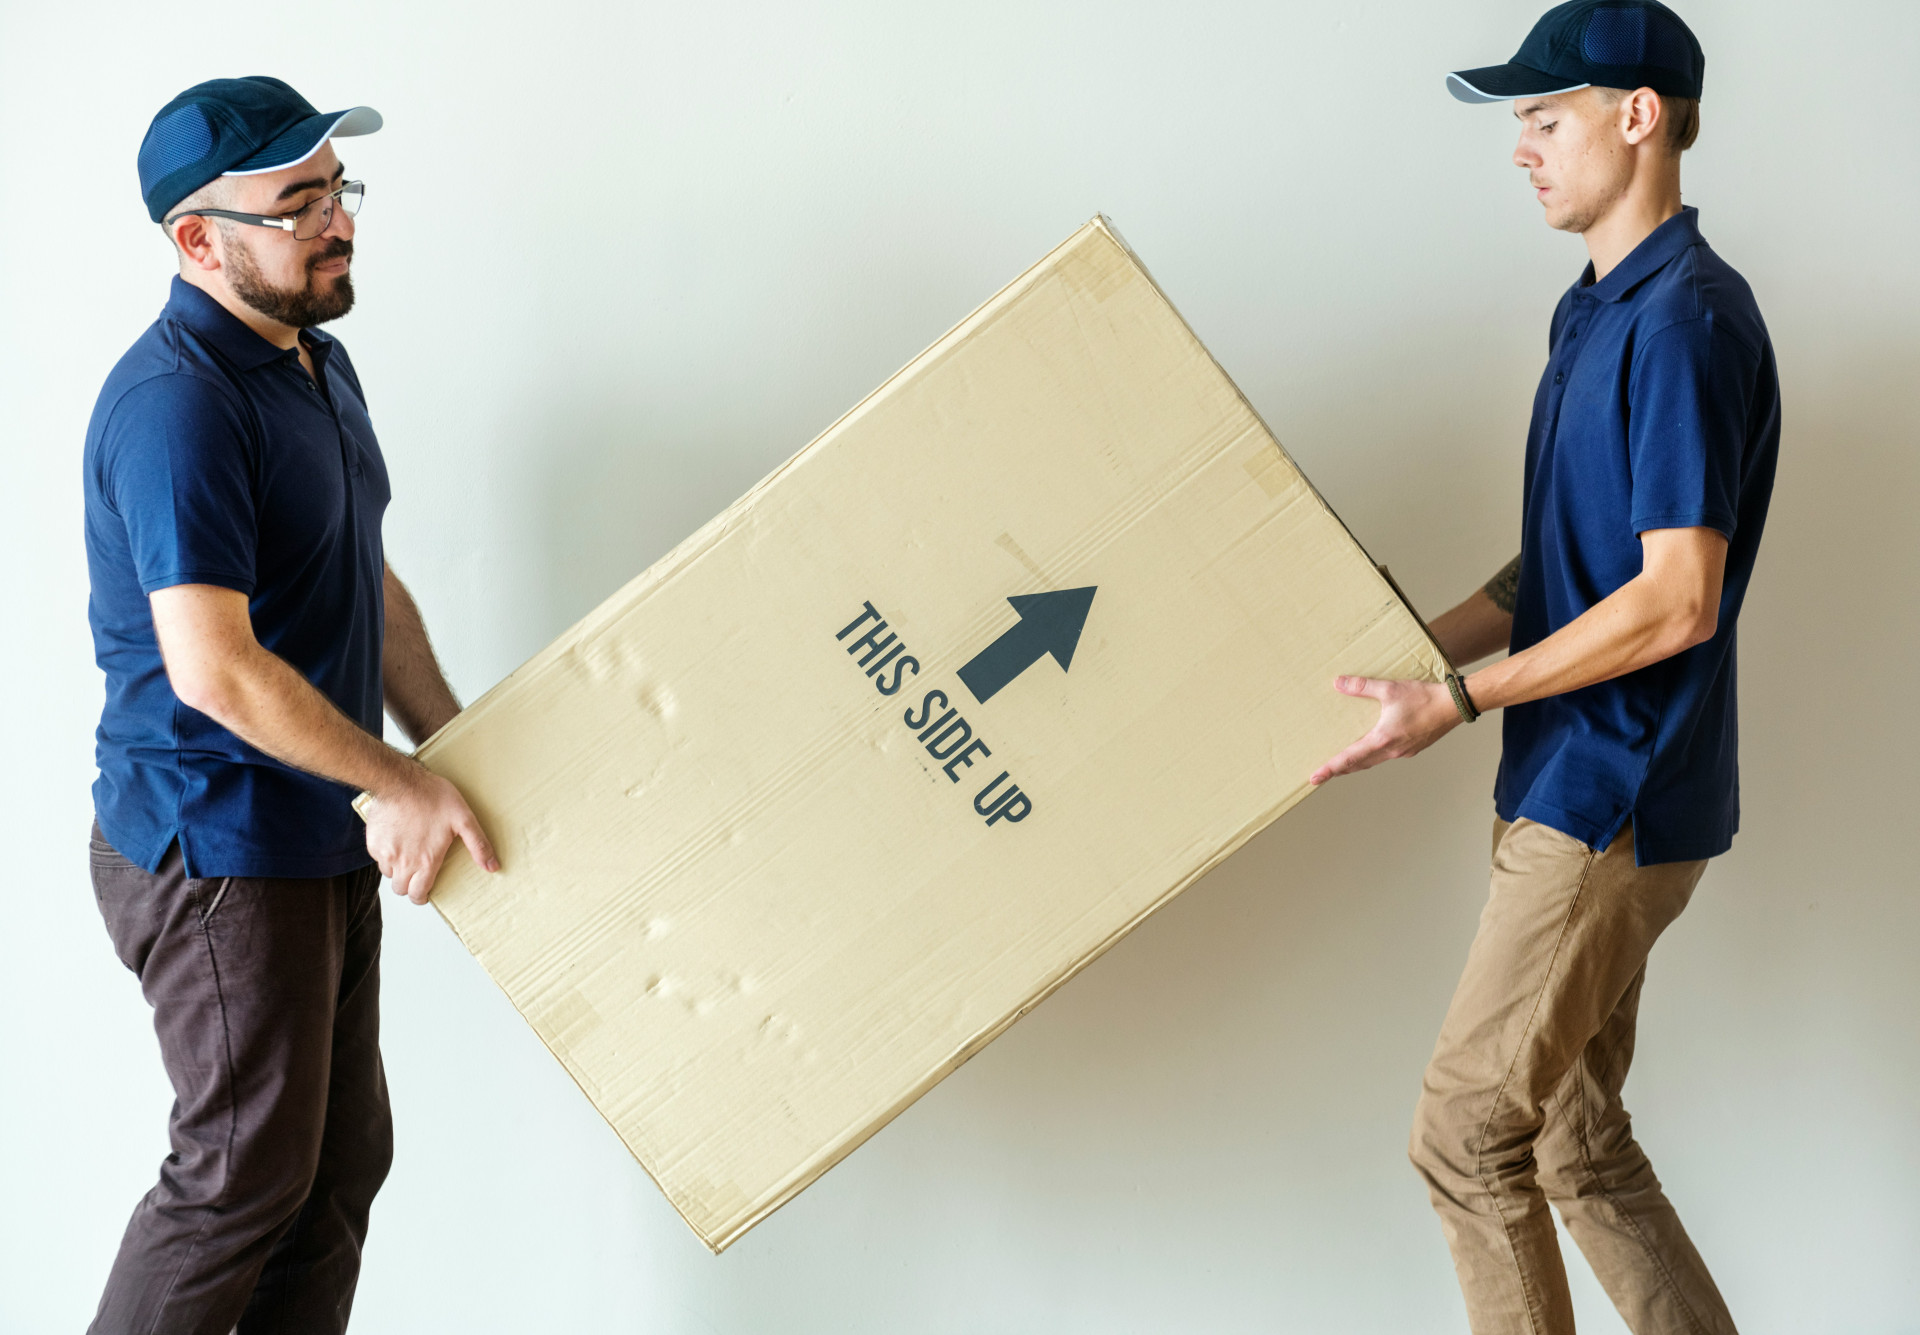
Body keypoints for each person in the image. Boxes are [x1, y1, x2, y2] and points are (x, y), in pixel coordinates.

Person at [1308, 3, 1777, 1331]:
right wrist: (1418, 654)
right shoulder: (1596, 310)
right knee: (1575, 1137)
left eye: (1547, 118)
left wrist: (1458, 702)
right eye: (1519, 121)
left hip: (1609, 794)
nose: (1522, 146)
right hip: (1569, 778)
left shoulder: (1684, 323)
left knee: (1466, 1136)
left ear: (1639, 116)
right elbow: (1568, 561)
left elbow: (1675, 598)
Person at [83, 76, 500, 1333]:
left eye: (337, 190)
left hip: (315, 823)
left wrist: (453, 746)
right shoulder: (179, 405)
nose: (338, 223)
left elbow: (361, 574)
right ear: (197, 240)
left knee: (334, 1168)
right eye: (296, 205)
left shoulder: (313, 360)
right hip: (218, 840)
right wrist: (398, 782)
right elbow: (213, 666)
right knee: (238, 1179)